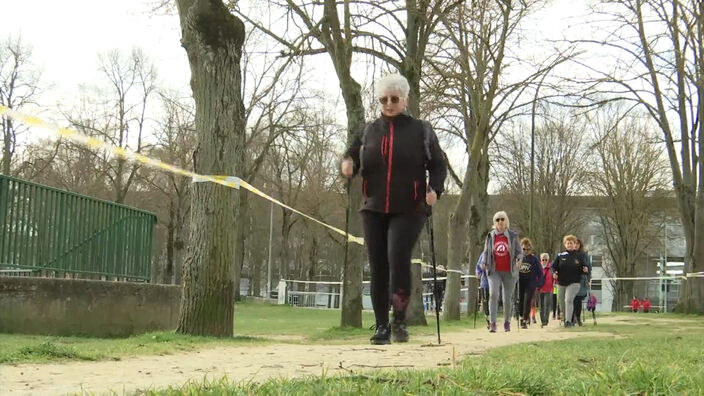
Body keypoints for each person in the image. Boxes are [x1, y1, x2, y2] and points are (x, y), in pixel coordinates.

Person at [340, 73, 447, 345]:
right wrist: (347, 164)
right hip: (374, 206)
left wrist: (434, 188)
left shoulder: (421, 130)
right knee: (377, 265)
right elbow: (351, 154)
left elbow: (438, 164)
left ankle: (400, 320)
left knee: (397, 256)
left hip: (410, 206)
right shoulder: (368, 130)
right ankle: (381, 326)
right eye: (383, 99)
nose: (388, 104)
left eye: (394, 99)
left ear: (405, 100)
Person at [481, 211, 522, 333]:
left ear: (506, 221)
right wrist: (483, 262)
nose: (500, 222)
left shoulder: (513, 236)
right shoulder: (490, 236)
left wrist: (519, 259)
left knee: (507, 298)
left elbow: (519, 252)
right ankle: (493, 323)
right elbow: (486, 251)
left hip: (509, 271)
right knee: (493, 295)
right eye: (497, 220)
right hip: (494, 270)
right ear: (494, 222)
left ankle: (507, 322)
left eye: (502, 219)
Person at [552, 235, 589, 328]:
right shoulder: (560, 256)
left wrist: (585, 270)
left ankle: (568, 321)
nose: (569, 245)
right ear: (565, 245)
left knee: (568, 300)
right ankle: (566, 318)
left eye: (571, 243)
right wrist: (555, 272)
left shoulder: (579, 256)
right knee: (562, 302)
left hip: (574, 282)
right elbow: (554, 267)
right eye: (567, 243)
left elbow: (584, 267)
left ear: (574, 244)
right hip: (561, 282)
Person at [518, 238, 544, 329]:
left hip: (531, 283)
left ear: (531, 249)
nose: (525, 251)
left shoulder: (534, 259)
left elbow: (540, 272)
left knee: (527, 300)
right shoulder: (518, 258)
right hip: (520, 283)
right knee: (521, 300)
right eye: (523, 249)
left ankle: (525, 319)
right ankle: (521, 316)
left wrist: (539, 284)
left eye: (527, 249)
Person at [571, 238, 592, 326]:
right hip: (571, 280)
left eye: (577, 244)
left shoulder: (584, 255)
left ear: (580, 245)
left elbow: (588, 267)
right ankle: (571, 318)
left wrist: (588, 276)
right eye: (574, 243)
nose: (575, 245)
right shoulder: (569, 255)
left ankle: (578, 318)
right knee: (571, 300)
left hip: (581, 280)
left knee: (578, 300)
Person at [538, 253, 554, 327]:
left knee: (547, 305)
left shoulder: (551, 268)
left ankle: (546, 320)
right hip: (540, 289)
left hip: (549, 289)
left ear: (548, 260)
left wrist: (554, 283)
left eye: (546, 260)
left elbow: (554, 278)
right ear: (540, 260)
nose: (544, 261)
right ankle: (542, 320)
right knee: (541, 306)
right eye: (543, 259)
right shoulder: (538, 268)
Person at [475, 251, 490, 329]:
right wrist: (478, 272)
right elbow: (478, 266)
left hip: (495, 280)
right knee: (485, 300)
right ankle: (488, 319)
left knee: (494, 299)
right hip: (485, 281)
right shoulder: (484, 254)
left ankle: (493, 318)